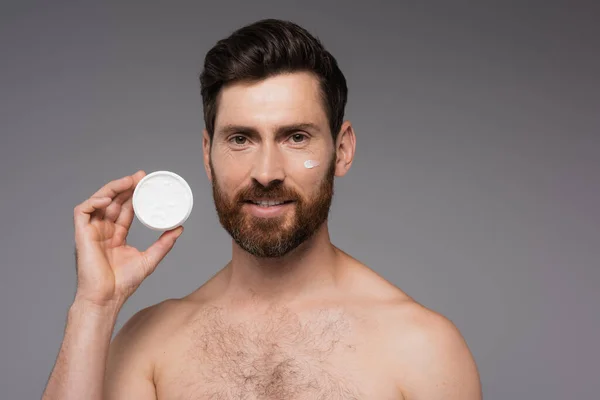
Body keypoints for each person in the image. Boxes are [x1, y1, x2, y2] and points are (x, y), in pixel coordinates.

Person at [42, 18, 482, 400]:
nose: (267, 172)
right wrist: (94, 306)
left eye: (295, 137)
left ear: (342, 150)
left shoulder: (422, 347)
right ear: (207, 154)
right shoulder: (151, 344)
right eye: (240, 139)